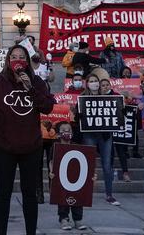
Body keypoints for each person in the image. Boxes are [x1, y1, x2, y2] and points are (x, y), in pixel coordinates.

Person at [0, 45, 55, 235]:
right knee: (3, 193)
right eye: (14, 56)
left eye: (21, 57)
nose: (17, 60)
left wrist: (30, 88)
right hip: (4, 147)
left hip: (31, 147)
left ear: (27, 61)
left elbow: (47, 107)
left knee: (30, 195)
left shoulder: (37, 82)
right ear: (8, 61)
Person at [79, 72, 122, 206]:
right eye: (91, 81)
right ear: (87, 84)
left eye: (95, 81)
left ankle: (109, 194)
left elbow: (118, 111)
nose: (94, 83)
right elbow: (78, 117)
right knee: (88, 164)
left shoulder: (107, 97)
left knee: (107, 165)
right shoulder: (82, 98)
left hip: (105, 135)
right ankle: (84, 193)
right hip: (89, 135)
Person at [50, 121, 89, 231]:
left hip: (75, 177)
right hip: (61, 177)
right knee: (62, 199)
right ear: (58, 134)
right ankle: (64, 219)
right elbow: (51, 161)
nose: (67, 132)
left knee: (78, 198)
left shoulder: (77, 146)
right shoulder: (55, 146)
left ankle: (78, 219)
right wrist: (51, 172)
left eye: (69, 130)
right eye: (63, 130)